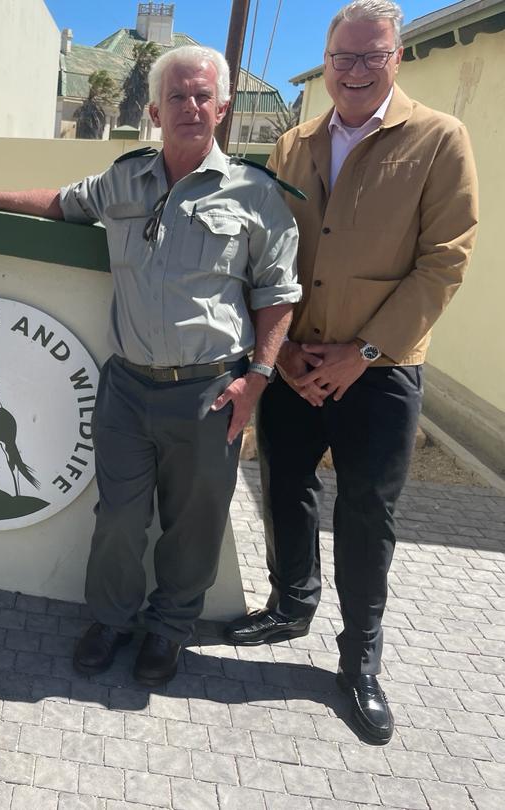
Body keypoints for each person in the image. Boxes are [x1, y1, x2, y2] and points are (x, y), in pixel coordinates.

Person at [0, 45, 301, 685]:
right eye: (177, 97)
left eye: (202, 96)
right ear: (155, 109)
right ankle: (110, 619)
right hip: (127, 387)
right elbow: (60, 202)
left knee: (194, 523)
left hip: (211, 388)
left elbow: (278, 292)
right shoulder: (125, 179)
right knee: (119, 520)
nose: (190, 107)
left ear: (223, 107)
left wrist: (257, 381)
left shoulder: (256, 193)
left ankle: (169, 630)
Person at [223, 0, 478, 745]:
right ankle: (289, 606)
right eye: (344, 58)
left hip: (382, 369)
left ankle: (359, 659)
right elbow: (266, 250)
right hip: (297, 358)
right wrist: (289, 348)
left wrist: (361, 353)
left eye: (372, 56)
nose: (357, 71)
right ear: (326, 62)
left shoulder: (438, 138)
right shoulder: (294, 143)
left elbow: (445, 260)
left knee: (368, 511)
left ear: (397, 58)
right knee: (284, 487)